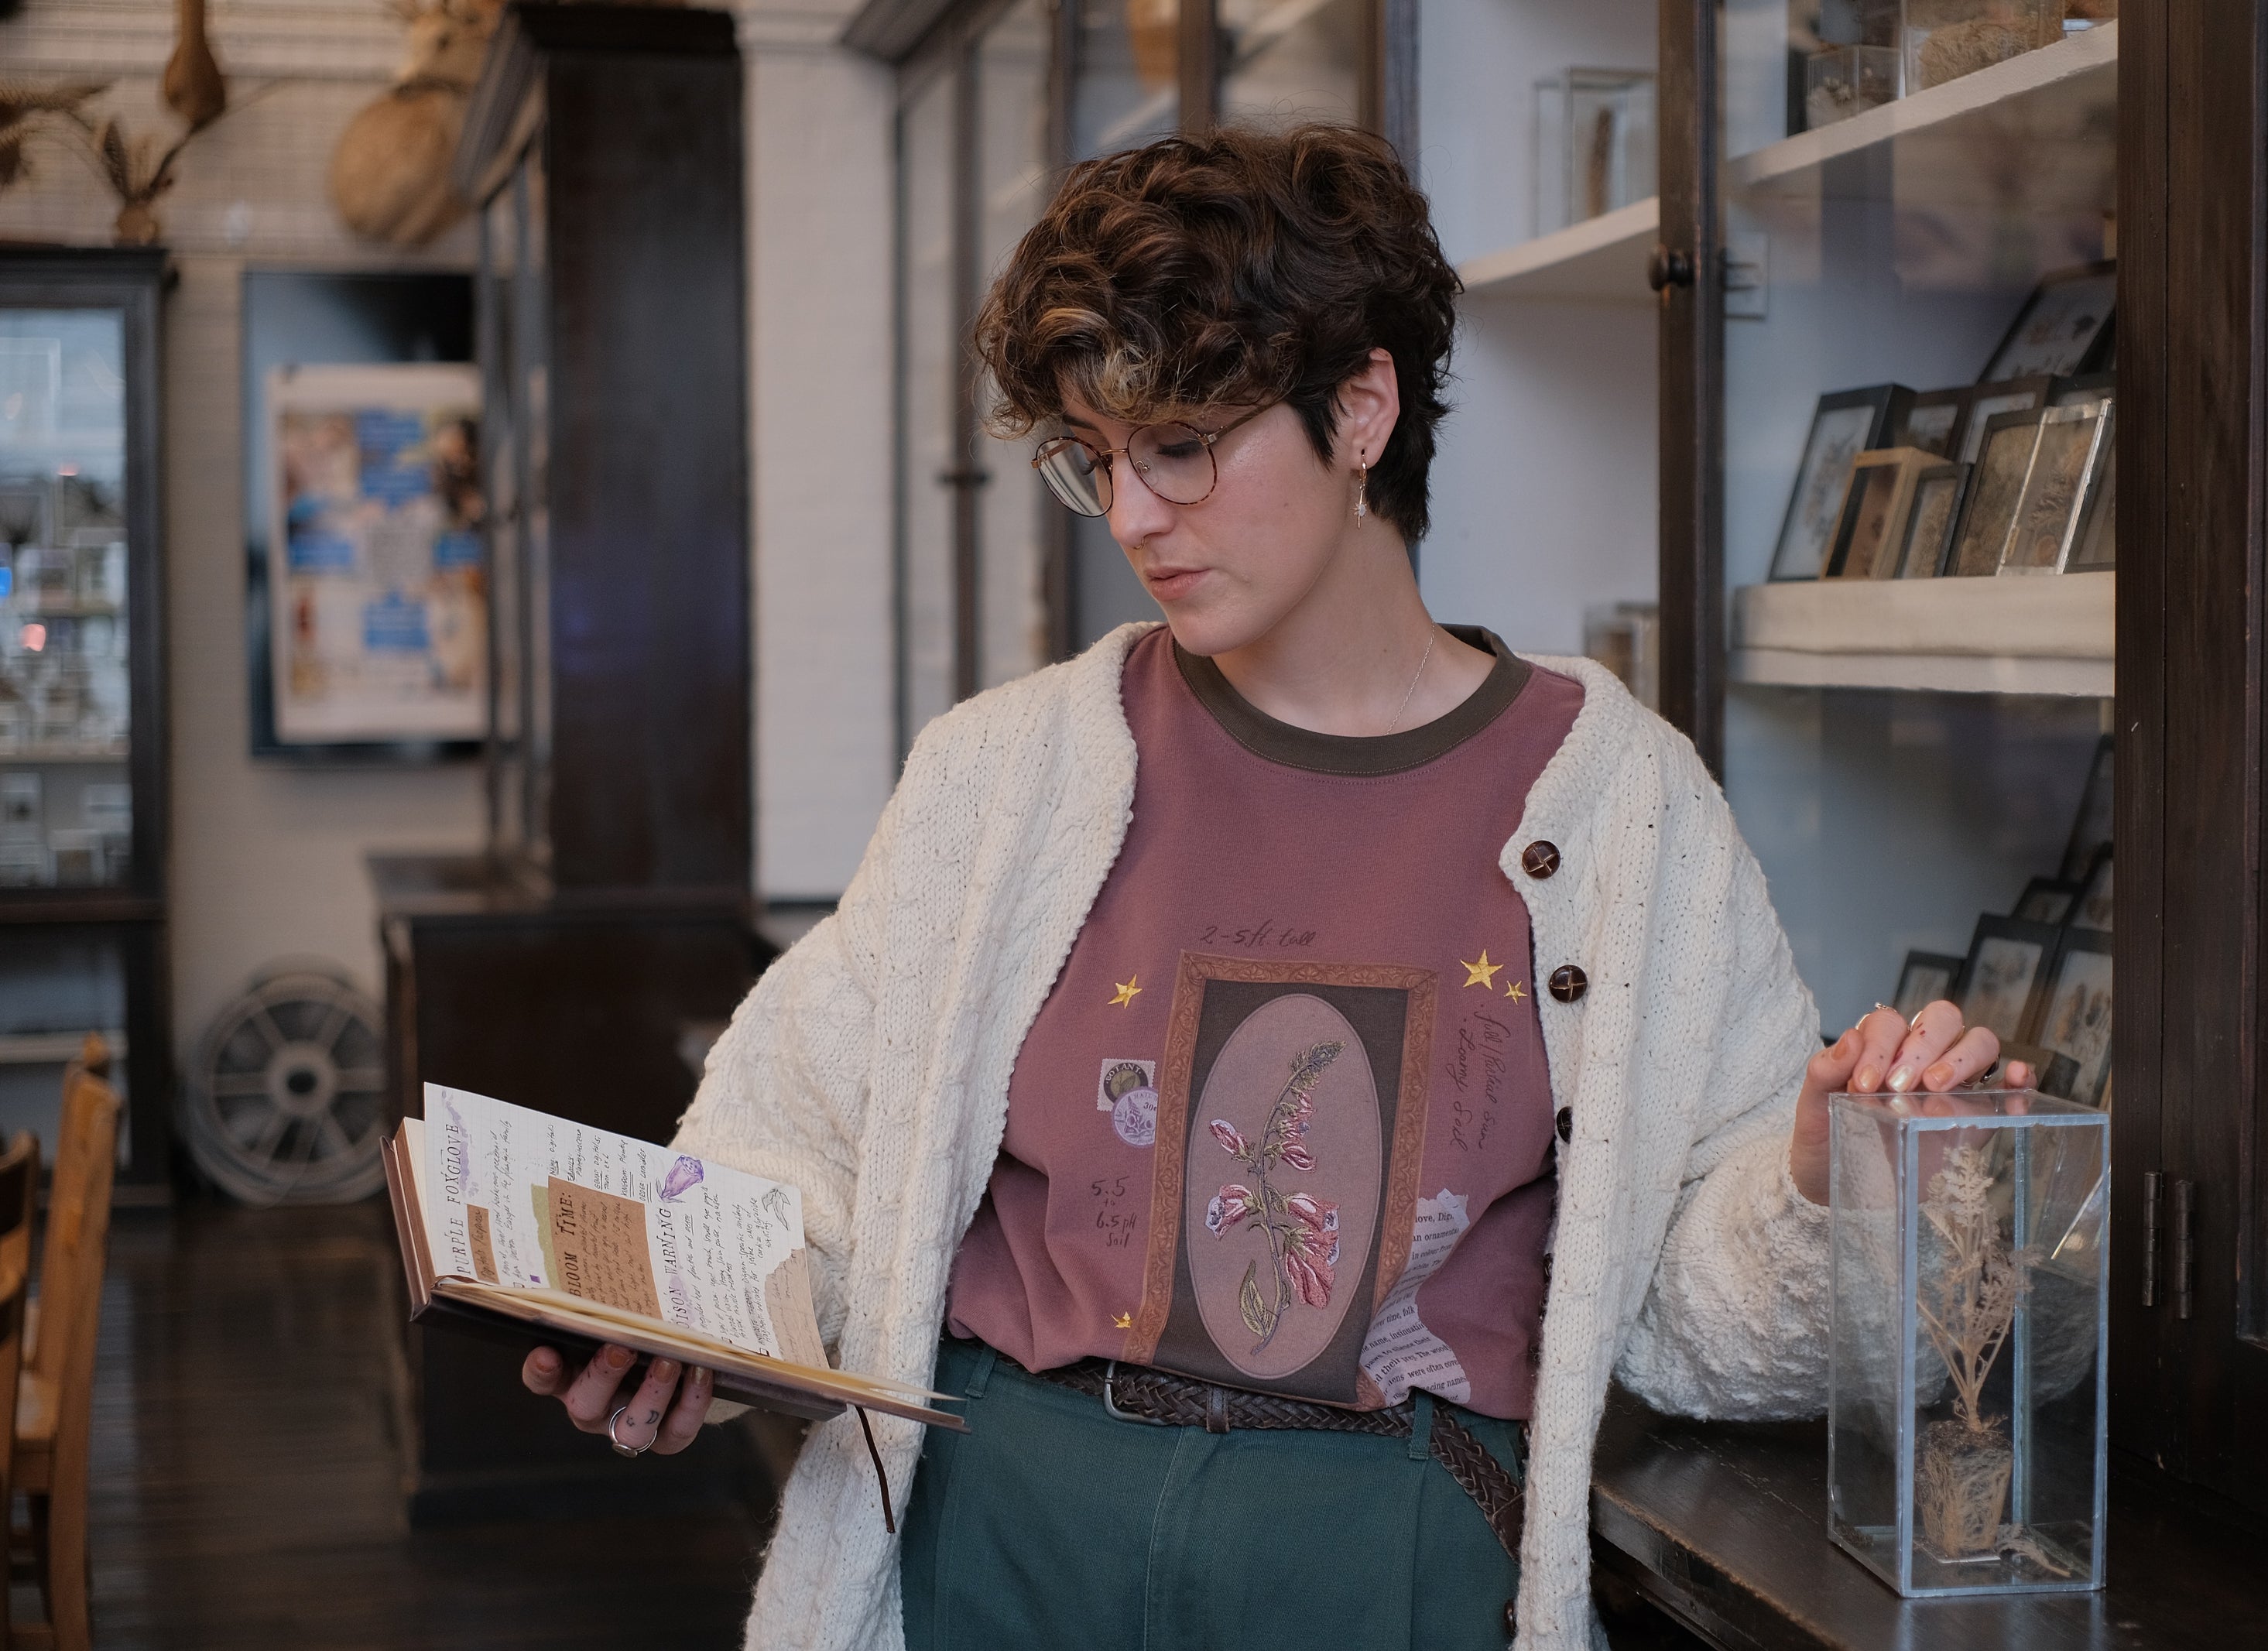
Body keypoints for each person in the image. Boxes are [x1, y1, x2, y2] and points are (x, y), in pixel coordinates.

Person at [519, 122, 2027, 1650]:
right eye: (1092, 459)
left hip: (1390, 1549)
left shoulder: (1621, 802)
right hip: (999, 1527)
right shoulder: (1003, 774)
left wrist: (1831, 1183)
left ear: (1360, 404)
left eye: (1179, 444)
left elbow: (1691, 1311)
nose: (1131, 515)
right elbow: (804, 1151)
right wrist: (697, 1326)